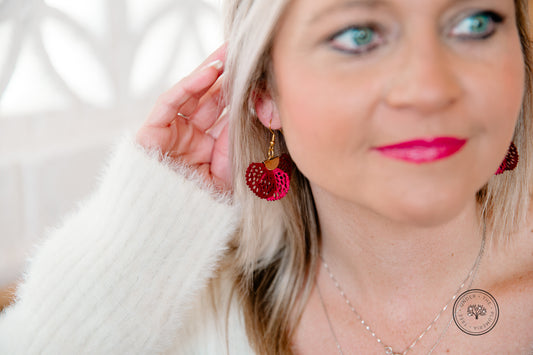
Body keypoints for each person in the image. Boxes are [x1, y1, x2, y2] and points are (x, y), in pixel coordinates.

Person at [1, 0, 532, 353]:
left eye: (475, 23)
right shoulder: (182, 317)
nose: (431, 88)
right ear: (264, 94)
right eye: (358, 35)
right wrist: (139, 241)